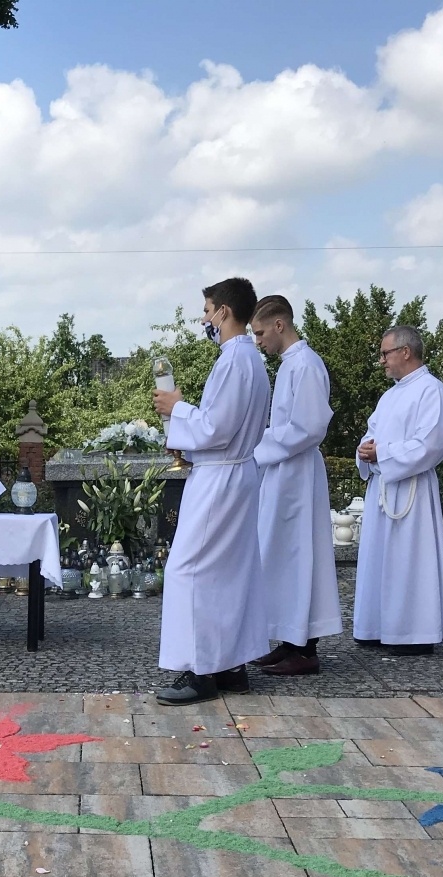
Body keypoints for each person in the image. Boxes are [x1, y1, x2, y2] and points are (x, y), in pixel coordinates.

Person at [152, 277, 271, 705]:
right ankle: (230, 666)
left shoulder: (234, 360)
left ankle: (201, 670)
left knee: (189, 570)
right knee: (227, 573)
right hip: (236, 473)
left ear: (224, 311)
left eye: (206, 310)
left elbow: (216, 428)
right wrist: (186, 434)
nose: (204, 319)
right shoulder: (250, 359)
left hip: (220, 478)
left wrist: (177, 408)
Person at [247, 295, 340, 676]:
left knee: (299, 554)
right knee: (282, 555)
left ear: (279, 325)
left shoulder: (306, 364)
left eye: (260, 333)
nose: (258, 341)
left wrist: (258, 444)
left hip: (298, 473)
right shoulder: (289, 365)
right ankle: (289, 639)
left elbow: (309, 426)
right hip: (284, 471)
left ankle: (304, 648)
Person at [352, 325, 443, 655]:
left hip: (412, 489)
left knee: (409, 560)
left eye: (385, 353)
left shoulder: (432, 391)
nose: (381, 360)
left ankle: (413, 632)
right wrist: (366, 450)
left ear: (406, 352)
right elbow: (371, 432)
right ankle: (376, 626)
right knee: (379, 558)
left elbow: (432, 444)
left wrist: (382, 453)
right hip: (383, 485)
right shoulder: (390, 395)